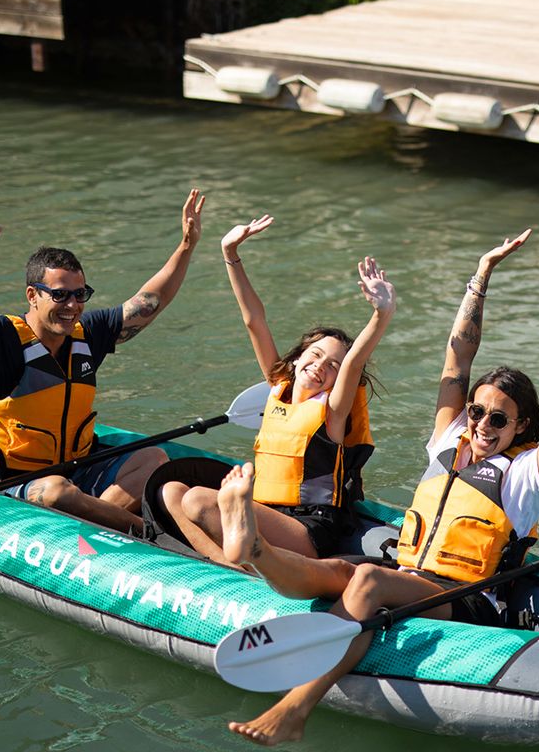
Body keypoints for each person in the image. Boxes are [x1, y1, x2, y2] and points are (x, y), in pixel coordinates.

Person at [213, 228, 539, 746]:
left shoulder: (526, 476)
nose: (485, 424)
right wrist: (481, 275)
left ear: (520, 428)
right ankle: (255, 549)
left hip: (466, 596)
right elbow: (458, 359)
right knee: (335, 570)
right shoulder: (447, 440)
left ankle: (297, 705)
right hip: (411, 572)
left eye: (500, 419)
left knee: (367, 583)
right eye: (478, 411)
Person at [0, 190, 206, 534]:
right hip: (18, 481)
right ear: (32, 295)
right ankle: (146, 531)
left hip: (79, 467)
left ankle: (98, 518)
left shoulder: (86, 334)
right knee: (56, 491)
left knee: (153, 460)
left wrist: (186, 246)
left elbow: (149, 302)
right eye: (60, 294)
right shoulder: (1, 340)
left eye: (80, 294)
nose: (72, 305)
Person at [159, 215, 396, 564]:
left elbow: (355, 363)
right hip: (262, 513)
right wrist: (230, 253)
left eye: (333, 366)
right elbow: (254, 319)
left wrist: (381, 314)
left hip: (308, 528)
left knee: (197, 501)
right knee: (172, 492)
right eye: (315, 355)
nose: (321, 366)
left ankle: (242, 564)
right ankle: (228, 565)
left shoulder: (332, 412)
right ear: (298, 358)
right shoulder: (277, 389)